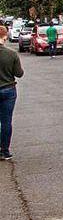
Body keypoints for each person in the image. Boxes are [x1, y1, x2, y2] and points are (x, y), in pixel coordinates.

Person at [0, 25, 22, 161]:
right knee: (6, 121)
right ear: (5, 36)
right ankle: (5, 151)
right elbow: (19, 73)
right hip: (8, 89)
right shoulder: (11, 54)